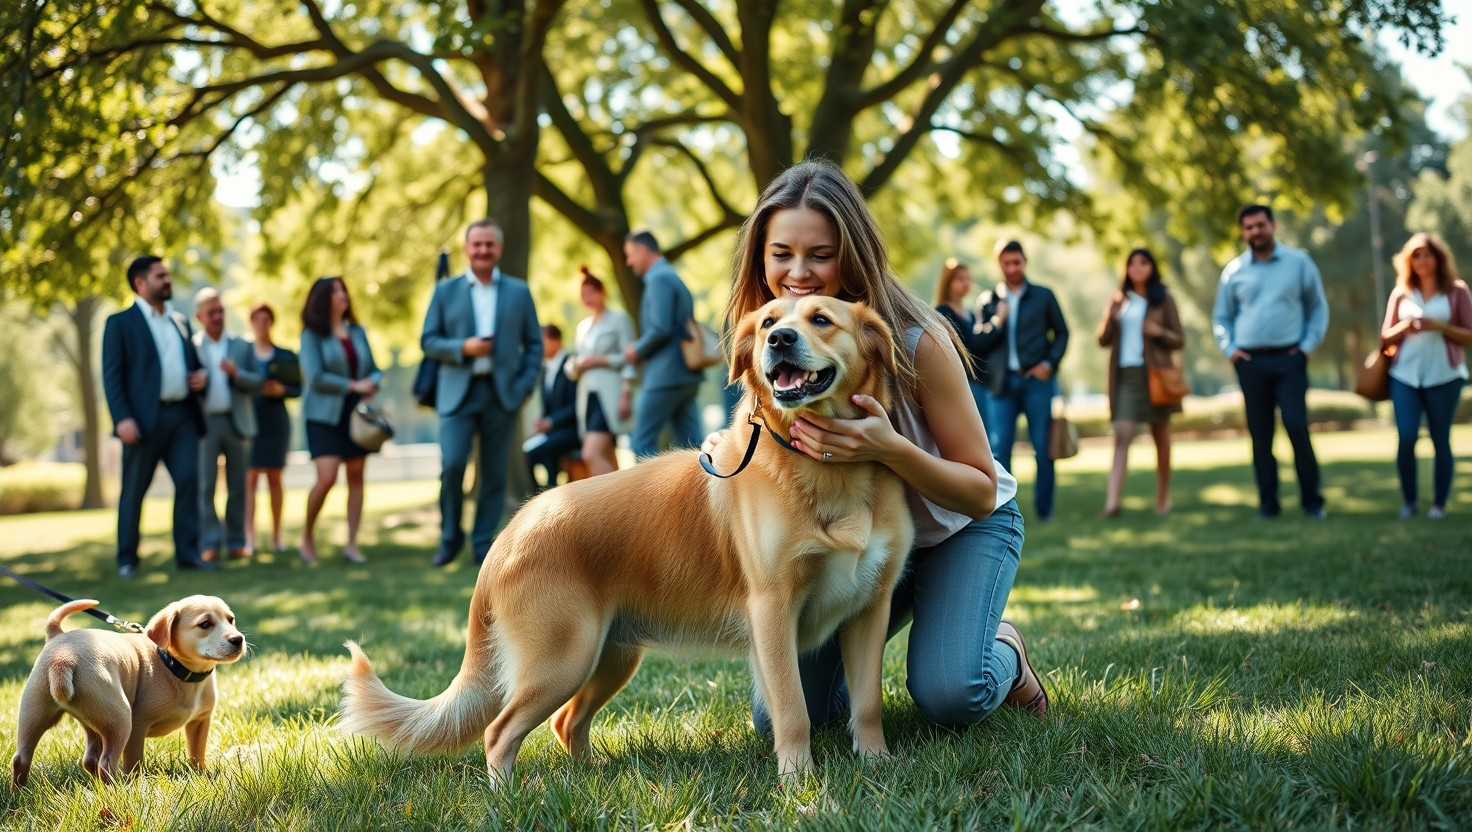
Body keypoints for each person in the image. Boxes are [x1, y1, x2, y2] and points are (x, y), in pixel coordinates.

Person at [715, 160, 1046, 735]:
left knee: (950, 695)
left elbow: (981, 491)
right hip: (854, 546)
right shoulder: (778, 339)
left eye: (820, 254)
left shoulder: (916, 340)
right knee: (785, 720)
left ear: (854, 251)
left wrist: (890, 449)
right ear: (760, 256)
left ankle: (1005, 653)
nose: (798, 272)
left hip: (956, 530)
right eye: (781, 253)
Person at [421, 218, 542, 567]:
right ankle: (449, 537)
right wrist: (464, 347)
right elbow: (428, 341)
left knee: (493, 472)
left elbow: (533, 345)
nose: (483, 250)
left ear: (499, 249)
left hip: (502, 394)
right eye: (477, 245)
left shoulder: (519, 292)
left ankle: (481, 542)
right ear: (467, 249)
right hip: (456, 393)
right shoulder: (446, 291)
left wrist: (523, 388)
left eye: (489, 244)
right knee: (453, 463)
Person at [101, 255, 216, 576]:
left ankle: (188, 555)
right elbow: (112, 376)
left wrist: (201, 378)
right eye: (159, 276)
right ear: (140, 283)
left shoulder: (180, 321)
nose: (167, 280)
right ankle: (127, 560)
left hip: (182, 417)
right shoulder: (120, 323)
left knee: (190, 482)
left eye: (166, 275)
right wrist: (122, 417)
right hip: (141, 421)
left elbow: (192, 366)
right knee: (134, 490)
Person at [1212, 204, 1329, 519]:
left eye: (1260, 225)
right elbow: (1221, 317)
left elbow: (1317, 307)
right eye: (1248, 227)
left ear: (1273, 225)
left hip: (1290, 358)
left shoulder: (1299, 263)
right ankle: (1268, 505)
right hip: (1250, 362)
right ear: (1243, 232)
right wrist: (1231, 350)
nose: (1255, 232)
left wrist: (1307, 346)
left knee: (1296, 426)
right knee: (1261, 436)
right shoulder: (1234, 271)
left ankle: (1312, 502)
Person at [1378, 232, 1472, 519]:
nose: (1421, 261)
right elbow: (1384, 338)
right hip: (1405, 375)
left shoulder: (1456, 291)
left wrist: (1440, 327)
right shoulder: (1401, 292)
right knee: (1406, 436)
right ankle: (1409, 502)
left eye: (1426, 254)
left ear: (1438, 258)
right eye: (1415, 256)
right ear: (1408, 261)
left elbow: (1469, 334)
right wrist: (1405, 326)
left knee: (1439, 438)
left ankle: (1438, 505)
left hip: (1445, 374)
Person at [983, 240, 1069, 523]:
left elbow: (1062, 332)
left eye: (1016, 262)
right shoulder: (989, 301)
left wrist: (1049, 364)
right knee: (999, 451)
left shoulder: (1044, 296)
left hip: (1036, 382)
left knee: (1043, 449)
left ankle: (1045, 511)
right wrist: (997, 320)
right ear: (1000, 265)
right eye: (1006, 263)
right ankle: (1003, 513)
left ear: (1025, 261)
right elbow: (980, 342)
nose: (1012, 268)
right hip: (1002, 385)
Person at [1095, 249, 1185, 517]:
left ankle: (1162, 499)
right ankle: (1113, 502)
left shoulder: (1163, 299)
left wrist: (1159, 332)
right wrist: (1110, 317)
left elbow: (1179, 339)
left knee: (1161, 438)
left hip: (1155, 375)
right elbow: (1103, 340)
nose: (1137, 268)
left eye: (1143, 263)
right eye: (1132, 263)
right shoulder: (1118, 300)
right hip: (1126, 376)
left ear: (1152, 268)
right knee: (1122, 434)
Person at [299, 276, 381, 564]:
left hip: (356, 416)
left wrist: (374, 381)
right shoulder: (311, 335)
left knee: (357, 477)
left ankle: (351, 544)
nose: (342, 294)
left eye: (343, 289)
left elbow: (374, 368)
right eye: (335, 291)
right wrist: (354, 386)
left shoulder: (357, 331)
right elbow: (315, 377)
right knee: (327, 478)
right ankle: (307, 536)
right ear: (322, 299)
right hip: (323, 416)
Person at [192, 287, 264, 562]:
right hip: (206, 425)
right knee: (206, 486)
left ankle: (236, 541)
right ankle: (210, 542)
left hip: (238, 424)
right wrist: (196, 382)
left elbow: (258, 382)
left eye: (220, 310)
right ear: (200, 317)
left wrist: (237, 374)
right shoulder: (193, 346)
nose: (217, 316)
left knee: (238, 487)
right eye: (211, 312)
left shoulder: (242, 345)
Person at [622, 231, 705, 457]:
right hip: (684, 376)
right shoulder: (671, 276)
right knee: (692, 447)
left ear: (643, 251)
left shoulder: (659, 279)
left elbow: (660, 328)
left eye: (630, 255)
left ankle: (646, 494)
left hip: (665, 377)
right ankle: (702, 492)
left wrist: (635, 349)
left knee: (641, 443)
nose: (628, 262)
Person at [568, 267, 636, 475]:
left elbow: (629, 358)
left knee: (591, 453)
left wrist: (626, 393)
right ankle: (622, 504)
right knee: (606, 454)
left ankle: (614, 499)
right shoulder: (583, 327)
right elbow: (575, 361)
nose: (587, 299)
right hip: (587, 397)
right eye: (583, 295)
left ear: (602, 292)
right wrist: (577, 365)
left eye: (591, 293)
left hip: (610, 394)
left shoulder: (619, 319)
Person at [245, 301, 300, 553]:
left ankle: (277, 536)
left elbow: (298, 388)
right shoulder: (243, 356)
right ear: (251, 322)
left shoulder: (286, 356)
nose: (261, 325)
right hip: (249, 422)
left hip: (276, 422)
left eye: (266, 319)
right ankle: (249, 538)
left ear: (272, 322)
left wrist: (282, 390)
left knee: (275, 478)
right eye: (257, 319)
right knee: (250, 479)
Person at [524, 324, 581, 491]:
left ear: (556, 341)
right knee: (544, 455)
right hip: (552, 432)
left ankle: (540, 496)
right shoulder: (544, 369)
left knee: (530, 454)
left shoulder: (570, 365)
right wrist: (543, 422)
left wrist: (551, 422)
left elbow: (575, 405)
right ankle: (548, 492)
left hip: (571, 431)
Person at [932, 257, 991, 420]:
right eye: (960, 279)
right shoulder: (942, 313)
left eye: (968, 279)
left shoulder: (970, 314)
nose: (966, 283)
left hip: (977, 381)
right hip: (957, 382)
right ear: (948, 282)